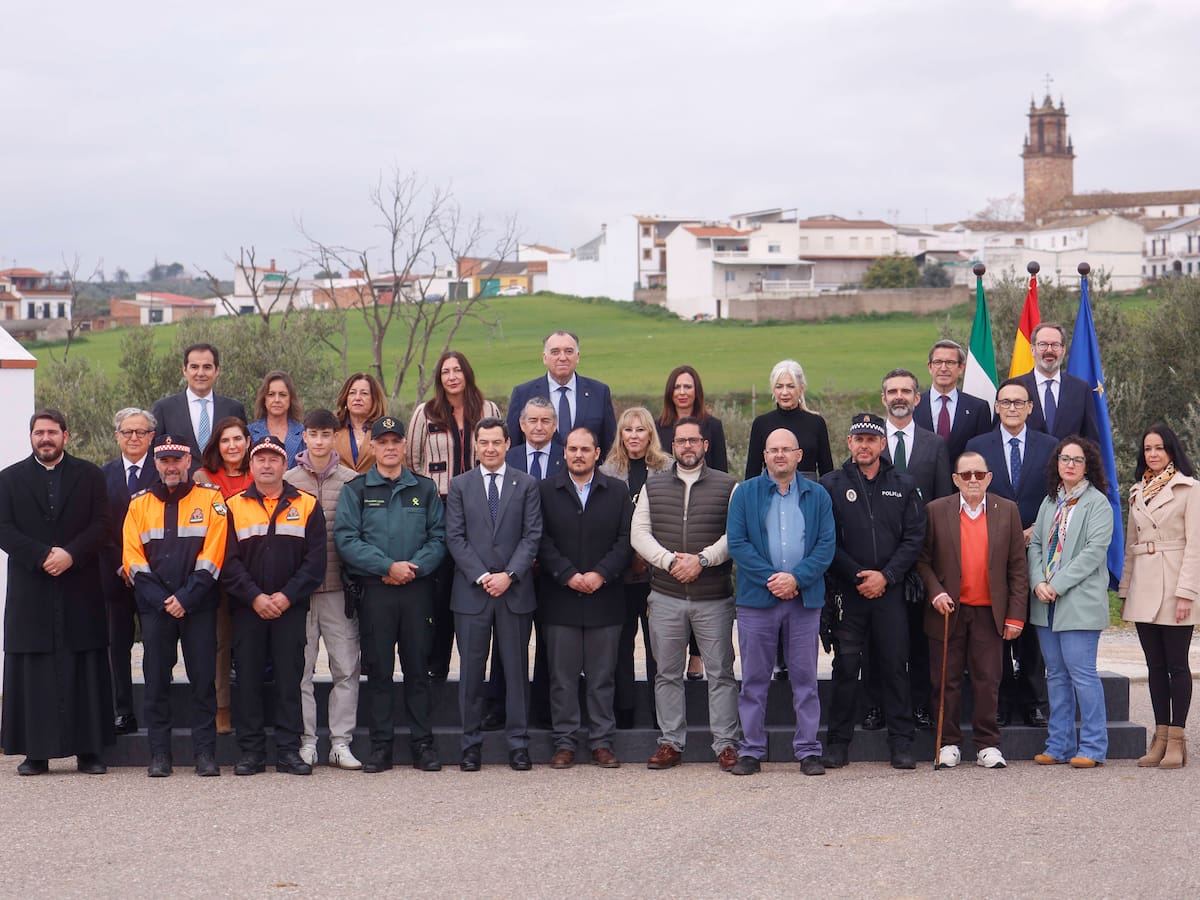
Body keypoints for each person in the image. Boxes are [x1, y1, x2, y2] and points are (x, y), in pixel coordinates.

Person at [0, 410, 113, 776]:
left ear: (66, 435)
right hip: (31, 587)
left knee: (85, 666)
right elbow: (2, 527)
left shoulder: (91, 475)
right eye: (38, 433)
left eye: (52, 432)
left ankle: (90, 752)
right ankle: (36, 753)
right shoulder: (9, 479)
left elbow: (102, 524)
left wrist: (71, 554)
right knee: (34, 671)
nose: (45, 438)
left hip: (79, 584)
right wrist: (41, 555)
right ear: (31, 436)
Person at [336, 415, 446, 773]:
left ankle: (422, 744)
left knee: (418, 669)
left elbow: (439, 538)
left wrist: (411, 568)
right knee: (379, 671)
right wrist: (388, 567)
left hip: (416, 591)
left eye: (395, 441)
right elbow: (347, 541)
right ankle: (381, 746)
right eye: (382, 442)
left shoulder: (425, 489)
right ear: (372, 446)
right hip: (376, 592)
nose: (389, 447)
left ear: (403, 446)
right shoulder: (356, 490)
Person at [631, 417, 741, 771]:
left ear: (705, 445)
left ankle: (725, 743)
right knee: (667, 672)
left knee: (721, 671)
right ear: (672, 446)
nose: (688, 446)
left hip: (714, 596)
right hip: (665, 595)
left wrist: (703, 560)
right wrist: (668, 561)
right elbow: (640, 533)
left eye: (694, 440)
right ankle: (670, 742)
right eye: (681, 441)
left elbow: (734, 536)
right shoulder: (653, 485)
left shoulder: (729, 486)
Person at [726, 428, 836, 776]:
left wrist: (797, 579)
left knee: (805, 678)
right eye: (773, 450)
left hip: (804, 601)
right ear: (764, 456)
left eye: (786, 449)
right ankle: (751, 750)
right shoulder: (745, 493)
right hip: (758, 600)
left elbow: (825, 546)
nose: (779, 455)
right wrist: (772, 579)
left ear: (799, 455)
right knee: (754, 679)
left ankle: (808, 750)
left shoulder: (818, 495)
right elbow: (738, 543)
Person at [819, 413, 925, 771]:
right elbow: (825, 540)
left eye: (871, 439)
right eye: (858, 438)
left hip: (891, 591)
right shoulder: (829, 484)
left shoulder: (904, 484)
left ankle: (901, 742)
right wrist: (857, 575)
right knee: (847, 666)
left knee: (895, 666)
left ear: (882, 444)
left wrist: (887, 576)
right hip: (848, 593)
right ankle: (837, 742)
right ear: (849, 443)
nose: (864, 445)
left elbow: (914, 538)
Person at [123, 435, 227, 777]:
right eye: (164, 460)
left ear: (188, 463)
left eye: (177, 460)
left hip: (197, 606)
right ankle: (159, 755)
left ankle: (205, 754)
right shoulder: (138, 504)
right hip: (155, 608)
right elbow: (133, 559)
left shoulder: (211, 500)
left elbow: (213, 556)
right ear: (156, 463)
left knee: (202, 680)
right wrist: (163, 600)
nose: (170, 466)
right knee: (155, 680)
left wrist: (185, 598)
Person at [917, 451, 1029, 770]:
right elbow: (921, 562)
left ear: (989, 477)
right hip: (947, 610)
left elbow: (1017, 569)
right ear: (955, 480)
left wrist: (1016, 615)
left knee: (988, 680)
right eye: (966, 475)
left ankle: (987, 744)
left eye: (979, 474)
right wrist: (935, 592)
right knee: (946, 680)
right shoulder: (936, 511)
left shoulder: (1007, 511)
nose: (973, 480)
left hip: (989, 612)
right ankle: (948, 743)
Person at [222, 435, 327, 776]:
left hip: (290, 609)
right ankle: (251, 752)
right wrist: (254, 596)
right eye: (260, 460)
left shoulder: (308, 505)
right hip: (247, 609)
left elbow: (315, 563)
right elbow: (227, 562)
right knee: (248, 680)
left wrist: (284, 597)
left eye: (273, 459)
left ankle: (287, 751)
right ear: (250, 466)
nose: (266, 465)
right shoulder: (233, 506)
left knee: (289, 679)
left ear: (285, 465)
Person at [445, 417, 543, 771]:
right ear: (475, 445)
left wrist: (509, 575)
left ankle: (518, 744)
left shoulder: (527, 484)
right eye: (483, 442)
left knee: (516, 671)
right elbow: (454, 537)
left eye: (495, 442)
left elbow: (532, 536)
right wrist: (484, 576)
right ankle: (470, 745)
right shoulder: (460, 485)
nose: (489, 448)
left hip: (514, 593)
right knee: (471, 673)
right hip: (472, 594)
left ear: (507, 444)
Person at [538, 426, 633, 769]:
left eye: (585, 449)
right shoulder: (546, 490)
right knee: (561, 678)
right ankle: (564, 742)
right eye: (572, 449)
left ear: (597, 454)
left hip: (604, 597)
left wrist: (600, 574)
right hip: (560, 597)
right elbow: (541, 538)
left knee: (601, 677)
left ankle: (601, 742)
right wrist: (567, 575)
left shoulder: (617, 491)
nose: (578, 455)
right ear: (564, 453)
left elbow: (625, 540)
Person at [966, 377, 1058, 727]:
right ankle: (1001, 702)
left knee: (1032, 626)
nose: (1012, 408)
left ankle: (1035, 700)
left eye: (1019, 402)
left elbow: (1059, 493)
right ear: (997, 407)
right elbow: (968, 492)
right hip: (989, 547)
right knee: (994, 627)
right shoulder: (977, 445)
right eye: (1006, 402)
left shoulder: (1050, 445)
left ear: (1030, 408)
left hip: (1037, 546)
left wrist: (1037, 530)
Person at [407, 350, 502, 681]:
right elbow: (413, 460)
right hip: (439, 507)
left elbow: (498, 455)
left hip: (480, 506)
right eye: (446, 371)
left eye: (457, 370)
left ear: (467, 374)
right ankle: (437, 666)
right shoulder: (426, 413)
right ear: (439, 378)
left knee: (474, 581)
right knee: (440, 586)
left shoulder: (488, 409)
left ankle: (477, 672)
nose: (452, 376)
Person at [867, 367, 952, 731]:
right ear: (883, 398)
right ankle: (876, 707)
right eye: (892, 391)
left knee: (919, 638)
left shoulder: (935, 444)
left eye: (906, 391)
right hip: (877, 557)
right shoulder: (869, 443)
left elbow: (944, 501)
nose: (899, 396)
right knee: (877, 640)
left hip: (919, 556)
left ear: (918, 399)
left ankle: (919, 706)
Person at [1028, 436, 1113, 769]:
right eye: (1065, 459)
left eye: (1078, 460)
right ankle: (1059, 744)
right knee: (1056, 676)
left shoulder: (1097, 503)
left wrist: (1057, 585)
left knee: (1082, 675)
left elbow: (1093, 552)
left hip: (1077, 601)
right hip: (1045, 602)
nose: (1071, 465)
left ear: (1087, 465)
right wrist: (1038, 582)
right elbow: (1035, 545)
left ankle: (1092, 746)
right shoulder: (1051, 502)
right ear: (1057, 464)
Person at [1119, 423, 1200, 769]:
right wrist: (1125, 589)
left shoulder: (1190, 489)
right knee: (1154, 667)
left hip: (1174, 586)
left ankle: (1178, 739)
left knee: (1177, 665)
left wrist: (1187, 593)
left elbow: (1196, 545)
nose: (1152, 454)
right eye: (1147, 448)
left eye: (1159, 448)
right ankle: (1160, 736)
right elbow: (1130, 547)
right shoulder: (1138, 491)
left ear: (1171, 451)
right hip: (1143, 586)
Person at [287, 409, 363, 771]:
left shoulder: (352, 480)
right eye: (313, 434)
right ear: (304, 436)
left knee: (345, 668)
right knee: (300, 669)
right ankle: (307, 741)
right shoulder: (288, 481)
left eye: (325, 434)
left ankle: (340, 742)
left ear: (335, 436)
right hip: (300, 593)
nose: (319, 440)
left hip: (337, 589)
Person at [600, 406, 672, 729]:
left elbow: (673, 519)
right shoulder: (606, 471)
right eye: (627, 430)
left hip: (658, 573)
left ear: (650, 434)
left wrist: (650, 555)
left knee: (660, 648)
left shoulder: (667, 468)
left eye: (640, 430)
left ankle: (663, 715)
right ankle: (624, 713)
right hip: (619, 574)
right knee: (621, 646)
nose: (633, 436)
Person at [100, 407, 159, 736]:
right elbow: (99, 525)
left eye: (140, 432)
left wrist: (138, 563)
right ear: (117, 436)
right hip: (113, 574)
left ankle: (155, 710)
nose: (133, 438)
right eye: (127, 432)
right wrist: (122, 562)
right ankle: (123, 711)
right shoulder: (102, 474)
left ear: (151, 437)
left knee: (155, 645)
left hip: (153, 575)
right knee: (116, 645)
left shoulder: (163, 472)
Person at [194, 415, 252, 733]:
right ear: (217, 445)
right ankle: (222, 707)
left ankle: (252, 705)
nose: (232, 446)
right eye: (225, 440)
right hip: (216, 570)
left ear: (247, 442)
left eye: (238, 439)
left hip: (252, 571)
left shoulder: (259, 473)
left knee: (250, 641)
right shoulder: (203, 477)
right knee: (220, 641)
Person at [506, 330, 617, 453]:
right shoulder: (523, 394)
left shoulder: (599, 393)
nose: (562, 358)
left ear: (577, 356)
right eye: (555, 352)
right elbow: (512, 446)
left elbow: (610, 445)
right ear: (545, 358)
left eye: (569, 351)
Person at [150, 343, 248, 467]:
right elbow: (153, 454)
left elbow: (244, 454)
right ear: (184, 370)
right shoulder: (164, 409)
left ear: (217, 370)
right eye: (194, 367)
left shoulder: (233, 408)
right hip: (182, 485)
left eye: (207, 367)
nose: (200, 373)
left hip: (224, 484)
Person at [745, 358, 833, 481]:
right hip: (771, 493)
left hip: (809, 494)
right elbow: (752, 473)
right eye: (779, 386)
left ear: (801, 389)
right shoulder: (761, 424)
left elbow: (827, 473)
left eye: (791, 386)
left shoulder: (816, 423)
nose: (784, 392)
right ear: (773, 390)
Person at [1014, 323, 1100, 443]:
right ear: (1032, 349)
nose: (1049, 350)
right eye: (1043, 344)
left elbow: (1091, 440)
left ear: (1063, 350)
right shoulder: (1014, 387)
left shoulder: (1081, 389)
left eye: (1055, 345)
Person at [914, 339, 993, 463]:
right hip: (922, 481)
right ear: (930, 367)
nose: (943, 368)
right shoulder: (913, 405)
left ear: (961, 367)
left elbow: (983, 450)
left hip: (963, 479)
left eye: (950, 362)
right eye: (938, 362)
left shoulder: (978, 408)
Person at [656, 365, 728, 472]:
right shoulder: (656, 427)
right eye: (677, 387)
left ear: (697, 391)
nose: (682, 392)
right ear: (670, 392)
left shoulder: (713, 426)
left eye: (687, 387)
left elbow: (721, 470)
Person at [248, 371, 306, 468]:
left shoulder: (303, 433)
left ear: (291, 399)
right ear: (264, 399)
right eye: (271, 394)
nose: (277, 400)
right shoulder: (250, 432)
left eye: (282, 395)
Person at [333, 372, 387, 474]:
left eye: (364, 393)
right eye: (352, 393)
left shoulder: (385, 431)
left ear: (374, 399)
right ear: (346, 398)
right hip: (340, 489)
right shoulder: (333, 429)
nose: (357, 398)